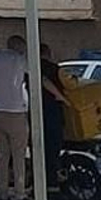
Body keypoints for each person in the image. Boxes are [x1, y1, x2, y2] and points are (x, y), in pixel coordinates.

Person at [0, 35, 32, 200]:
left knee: (2, 156)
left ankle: (2, 193)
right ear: (20, 47)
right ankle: (20, 194)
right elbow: (31, 72)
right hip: (16, 111)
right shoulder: (20, 60)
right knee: (18, 156)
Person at [39, 44, 68, 186]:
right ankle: (52, 182)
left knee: (40, 151)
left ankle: (43, 182)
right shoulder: (55, 69)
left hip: (38, 115)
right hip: (54, 114)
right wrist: (62, 99)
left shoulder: (31, 68)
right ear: (48, 53)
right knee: (53, 150)